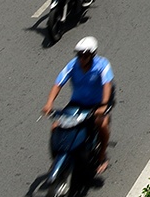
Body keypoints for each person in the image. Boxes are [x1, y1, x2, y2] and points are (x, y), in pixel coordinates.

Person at [43, 37, 114, 176]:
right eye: (79, 55)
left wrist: (104, 105)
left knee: (102, 124)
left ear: (92, 55)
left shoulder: (102, 65)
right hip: (76, 104)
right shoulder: (72, 65)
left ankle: (102, 156)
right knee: (56, 127)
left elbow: (107, 84)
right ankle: (58, 157)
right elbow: (58, 83)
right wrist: (49, 103)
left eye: (85, 55)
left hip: (97, 105)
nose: (82, 59)